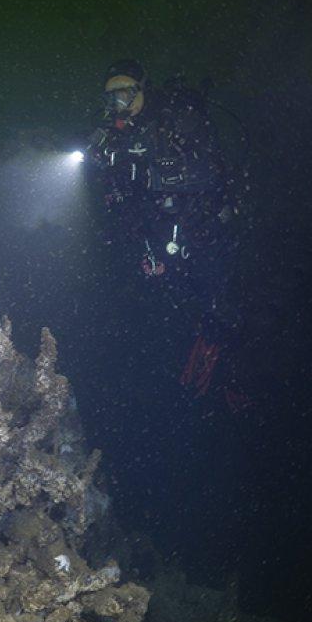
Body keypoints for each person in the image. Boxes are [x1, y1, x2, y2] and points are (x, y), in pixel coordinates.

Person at [86, 59, 249, 409]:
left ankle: (234, 383)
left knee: (218, 309)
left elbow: (210, 171)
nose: (119, 104)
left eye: (126, 94)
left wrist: (152, 175)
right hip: (160, 238)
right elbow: (117, 199)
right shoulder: (116, 133)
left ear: (143, 90)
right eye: (111, 98)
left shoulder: (178, 118)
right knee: (177, 313)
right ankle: (182, 388)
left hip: (204, 230)